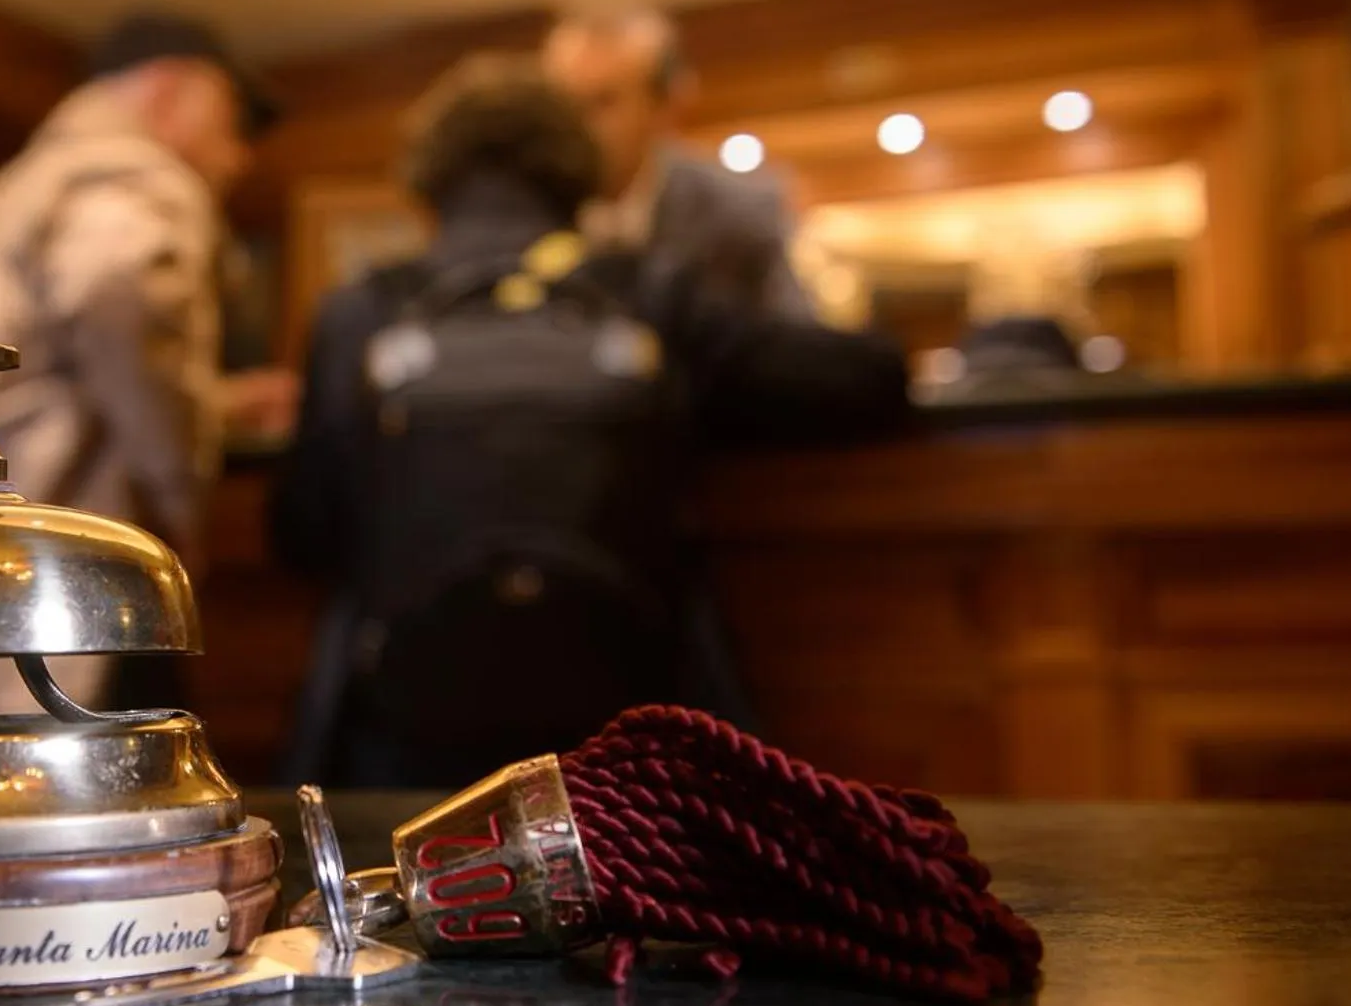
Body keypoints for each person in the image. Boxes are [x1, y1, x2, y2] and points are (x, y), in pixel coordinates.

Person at [270, 55, 908, 785]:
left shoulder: (360, 313)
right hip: (626, 740)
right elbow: (864, 379)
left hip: (406, 741)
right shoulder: (646, 293)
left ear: (429, 179)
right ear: (578, 174)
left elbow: (304, 529)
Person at [0, 11, 283, 719]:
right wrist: (176, 492)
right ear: (166, 93)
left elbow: (48, 362)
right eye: (229, 120)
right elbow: (115, 285)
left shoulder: (20, 186)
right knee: (115, 797)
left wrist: (217, 402)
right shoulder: (136, 179)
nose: (236, 155)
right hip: (71, 568)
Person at [543, 5, 811, 319]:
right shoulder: (526, 214)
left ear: (664, 106)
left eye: (603, 102)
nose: (578, 125)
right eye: (564, 104)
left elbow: (794, 345)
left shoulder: (739, 214)